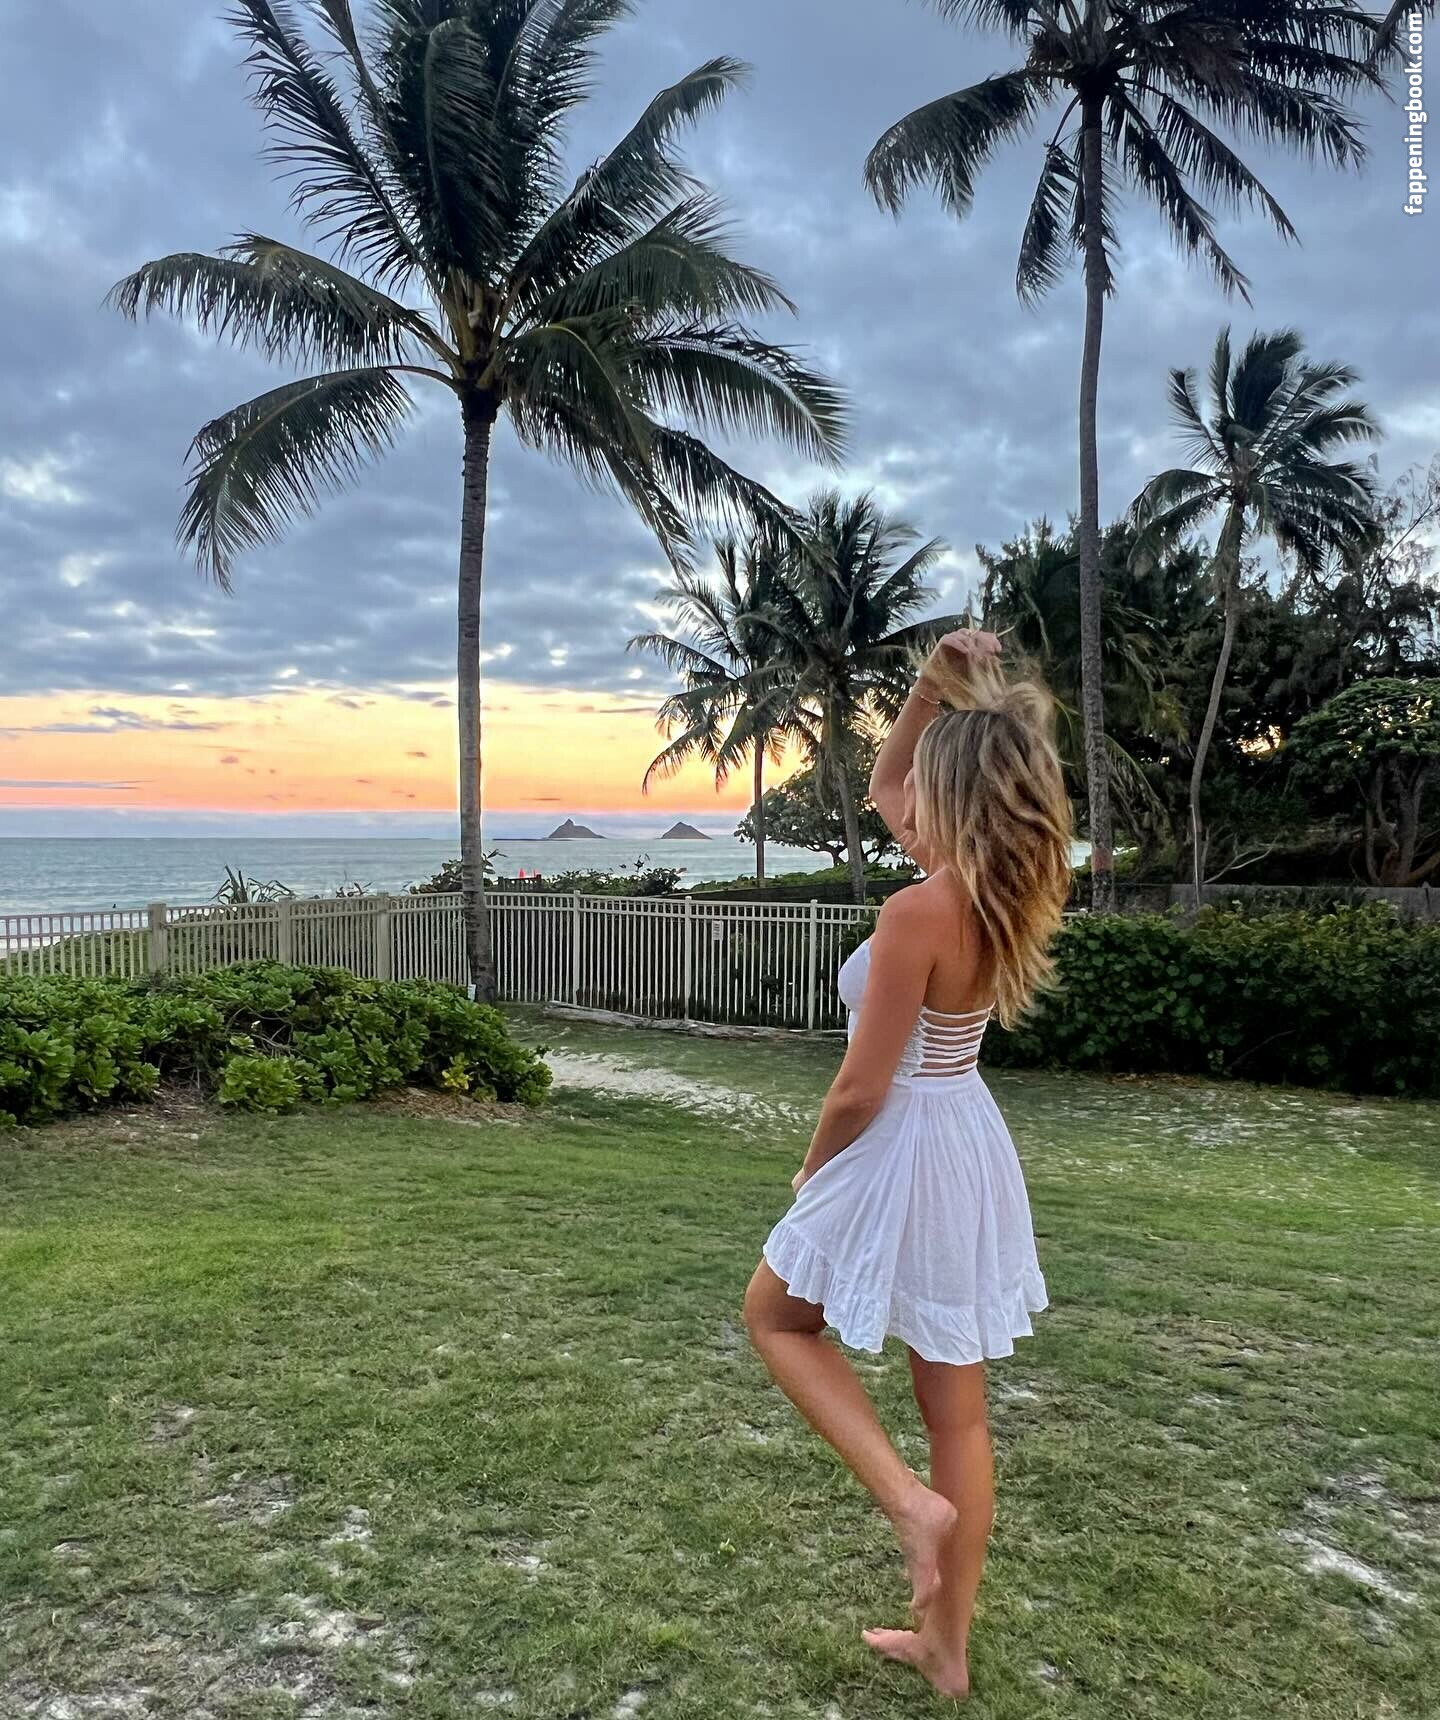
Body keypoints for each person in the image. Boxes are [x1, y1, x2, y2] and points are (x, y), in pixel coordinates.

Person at [743, 628, 1073, 1699]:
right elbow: (890, 780)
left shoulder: (917, 909)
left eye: (927, 782)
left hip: (904, 1137)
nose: (903, 799)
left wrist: (812, 1173)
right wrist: (932, 683)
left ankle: (908, 1504)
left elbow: (860, 1087)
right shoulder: (1007, 886)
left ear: (956, 798)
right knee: (957, 1411)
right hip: (966, 1134)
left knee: (775, 1316)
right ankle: (947, 1647)